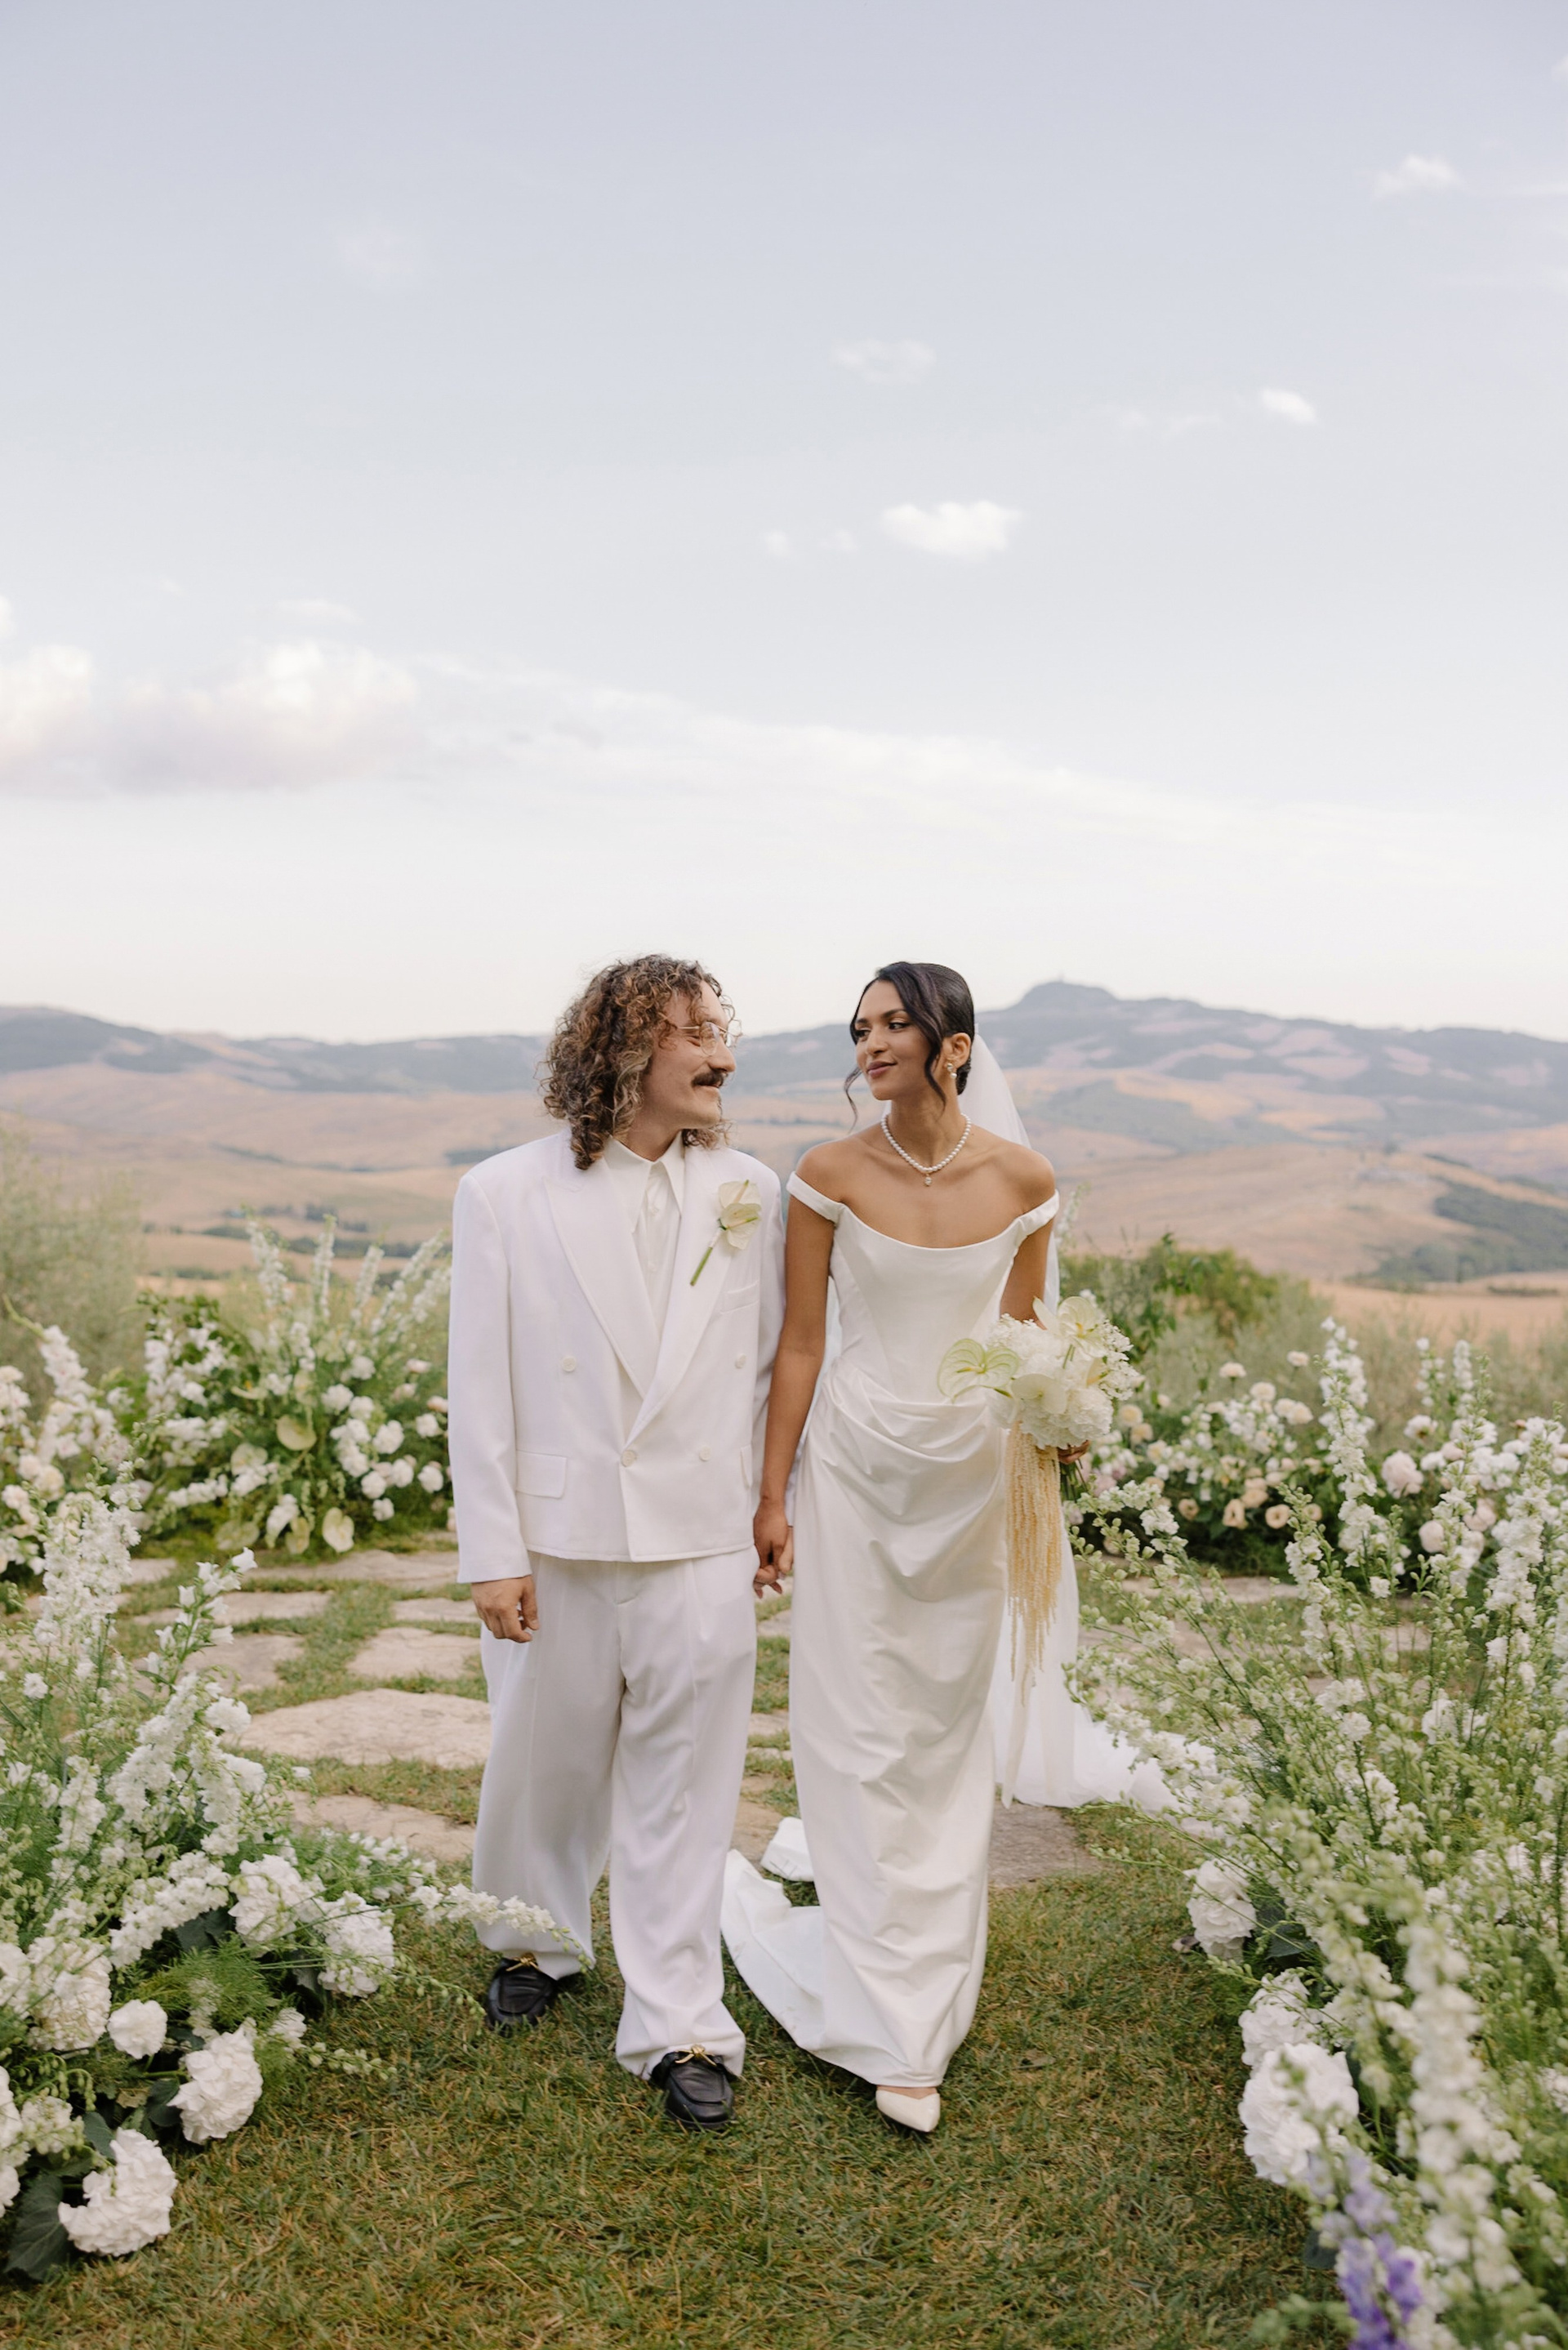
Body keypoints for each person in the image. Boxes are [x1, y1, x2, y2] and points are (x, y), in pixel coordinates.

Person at [723, 961, 1065, 2135]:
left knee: (944, 1730)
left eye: (891, 1026)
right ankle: (890, 2020)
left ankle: (927, 1981)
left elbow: (1024, 1347)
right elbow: (801, 1346)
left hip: (969, 1482)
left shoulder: (1025, 1181)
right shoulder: (826, 1174)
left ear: (952, 1046)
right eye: (859, 1028)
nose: (868, 1045)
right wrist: (772, 1494)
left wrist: (1058, 1420)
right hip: (855, 1474)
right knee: (857, 1725)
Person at [448, 954, 784, 2131]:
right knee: (544, 1759)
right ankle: (534, 1940)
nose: (722, 1055)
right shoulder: (503, 1193)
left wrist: (771, 1506)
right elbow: (480, 1385)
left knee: (686, 1786)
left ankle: (680, 2020)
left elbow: (765, 1370)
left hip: (700, 1536)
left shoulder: (752, 1189)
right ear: (623, 1049)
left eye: (721, 1030)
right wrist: (493, 1549)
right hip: (558, 1537)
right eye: (695, 1032)